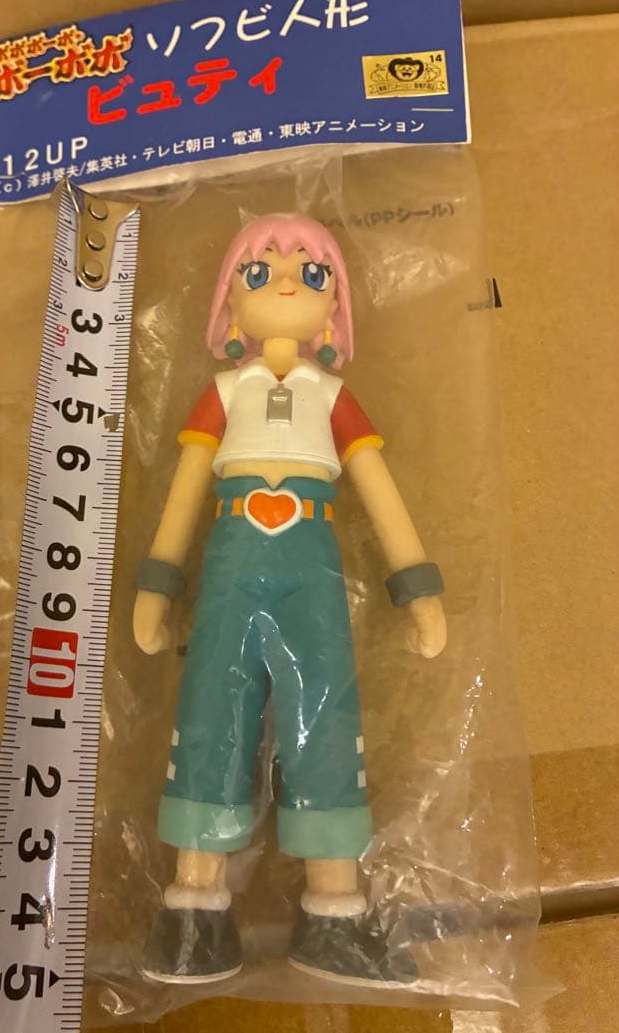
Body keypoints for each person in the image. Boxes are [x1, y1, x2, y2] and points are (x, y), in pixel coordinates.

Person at [134, 213, 446, 985]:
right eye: (259, 269)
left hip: (312, 557)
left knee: (326, 714)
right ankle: (195, 905)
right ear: (229, 303)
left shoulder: (331, 395)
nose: (282, 281)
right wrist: (159, 585)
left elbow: (381, 493)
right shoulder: (223, 392)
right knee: (211, 708)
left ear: (334, 307)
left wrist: (416, 588)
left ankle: (334, 910)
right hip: (234, 554)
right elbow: (183, 497)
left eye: (310, 272)